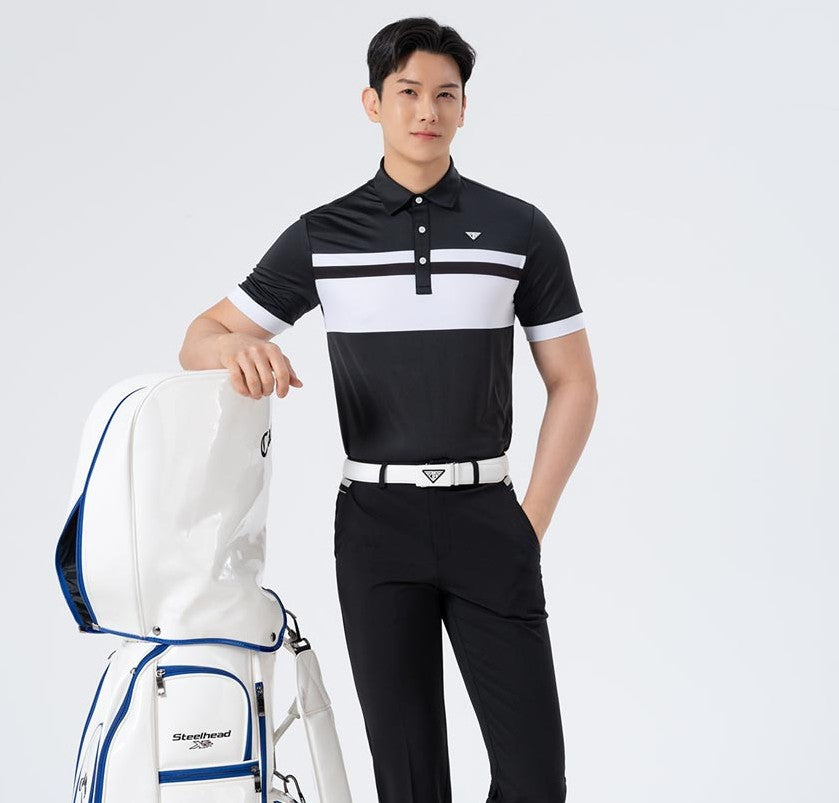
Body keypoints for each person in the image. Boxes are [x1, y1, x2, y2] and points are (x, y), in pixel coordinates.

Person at [179, 16, 597, 803]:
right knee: (407, 782)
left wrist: (529, 520)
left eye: (445, 94)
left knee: (536, 780)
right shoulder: (323, 235)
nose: (426, 110)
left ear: (464, 107)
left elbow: (574, 381)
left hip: (488, 516)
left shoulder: (519, 229)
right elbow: (199, 337)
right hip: (375, 525)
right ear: (372, 103)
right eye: (407, 92)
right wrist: (235, 347)